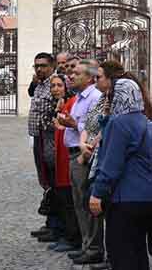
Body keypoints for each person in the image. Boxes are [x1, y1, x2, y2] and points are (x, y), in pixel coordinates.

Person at [89, 77, 152, 270]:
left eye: (111, 95)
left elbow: (111, 164)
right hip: (146, 197)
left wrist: (97, 193)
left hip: (125, 198)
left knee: (122, 254)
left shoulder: (119, 123)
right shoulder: (145, 121)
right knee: (139, 252)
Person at [57, 59, 103, 265]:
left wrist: (73, 124)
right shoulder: (78, 97)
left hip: (84, 155)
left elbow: (93, 128)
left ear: (89, 77)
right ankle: (86, 245)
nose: (71, 76)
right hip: (73, 153)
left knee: (87, 202)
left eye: (76, 73)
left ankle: (93, 248)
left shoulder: (95, 97)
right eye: (71, 73)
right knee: (79, 203)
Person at [48, 74, 81, 253]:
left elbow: (70, 127)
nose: (55, 89)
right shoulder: (60, 103)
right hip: (60, 155)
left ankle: (73, 237)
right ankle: (67, 234)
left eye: (59, 85)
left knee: (69, 200)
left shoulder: (72, 102)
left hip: (67, 155)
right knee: (64, 198)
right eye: (53, 86)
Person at [27, 53, 56, 240]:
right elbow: (31, 94)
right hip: (38, 137)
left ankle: (56, 226)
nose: (39, 69)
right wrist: (34, 82)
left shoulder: (55, 84)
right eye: (36, 65)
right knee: (44, 180)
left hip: (50, 138)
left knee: (53, 181)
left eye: (43, 65)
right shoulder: (40, 83)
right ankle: (50, 222)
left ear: (52, 66)